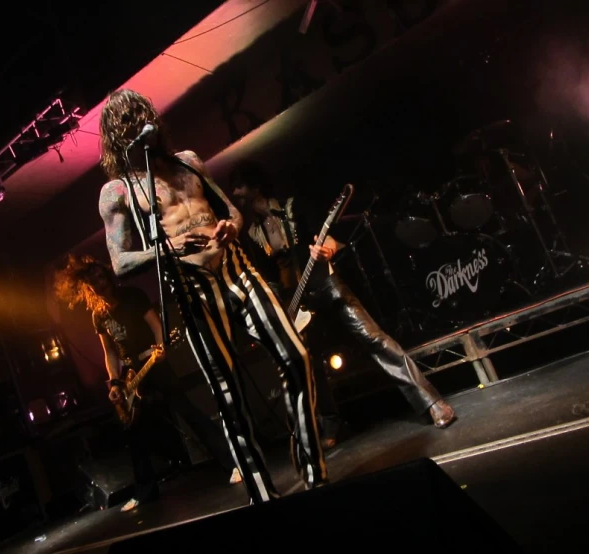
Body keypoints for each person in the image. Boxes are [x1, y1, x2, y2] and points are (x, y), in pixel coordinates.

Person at [96, 89, 327, 504]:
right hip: (190, 288)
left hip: (235, 266)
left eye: (141, 117)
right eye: (128, 124)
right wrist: (168, 248)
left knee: (296, 354)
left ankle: (311, 466)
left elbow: (230, 210)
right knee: (228, 391)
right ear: (118, 137)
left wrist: (232, 227)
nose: (138, 127)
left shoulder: (188, 162)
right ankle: (261, 493)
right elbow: (119, 262)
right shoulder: (118, 192)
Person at [230, 161, 456, 446]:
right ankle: (331, 425)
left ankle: (431, 402)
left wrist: (328, 249)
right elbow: (270, 279)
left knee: (372, 337)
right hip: (297, 300)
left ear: (255, 186)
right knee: (308, 362)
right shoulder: (252, 233)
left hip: (325, 283)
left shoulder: (292, 207)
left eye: (239, 186)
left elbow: (331, 238)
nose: (235, 194)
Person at [53, 254, 241, 512]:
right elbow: (109, 352)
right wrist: (115, 383)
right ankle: (145, 492)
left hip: (153, 362)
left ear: (107, 276)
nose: (98, 281)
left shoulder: (132, 296)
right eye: (92, 279)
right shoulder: (98, 315)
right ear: (87, 286)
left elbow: (156, 325)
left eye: (100, 275)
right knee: (134, 434)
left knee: (186, 410)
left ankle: (232, 463)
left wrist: (161, 347)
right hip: (131, 374)